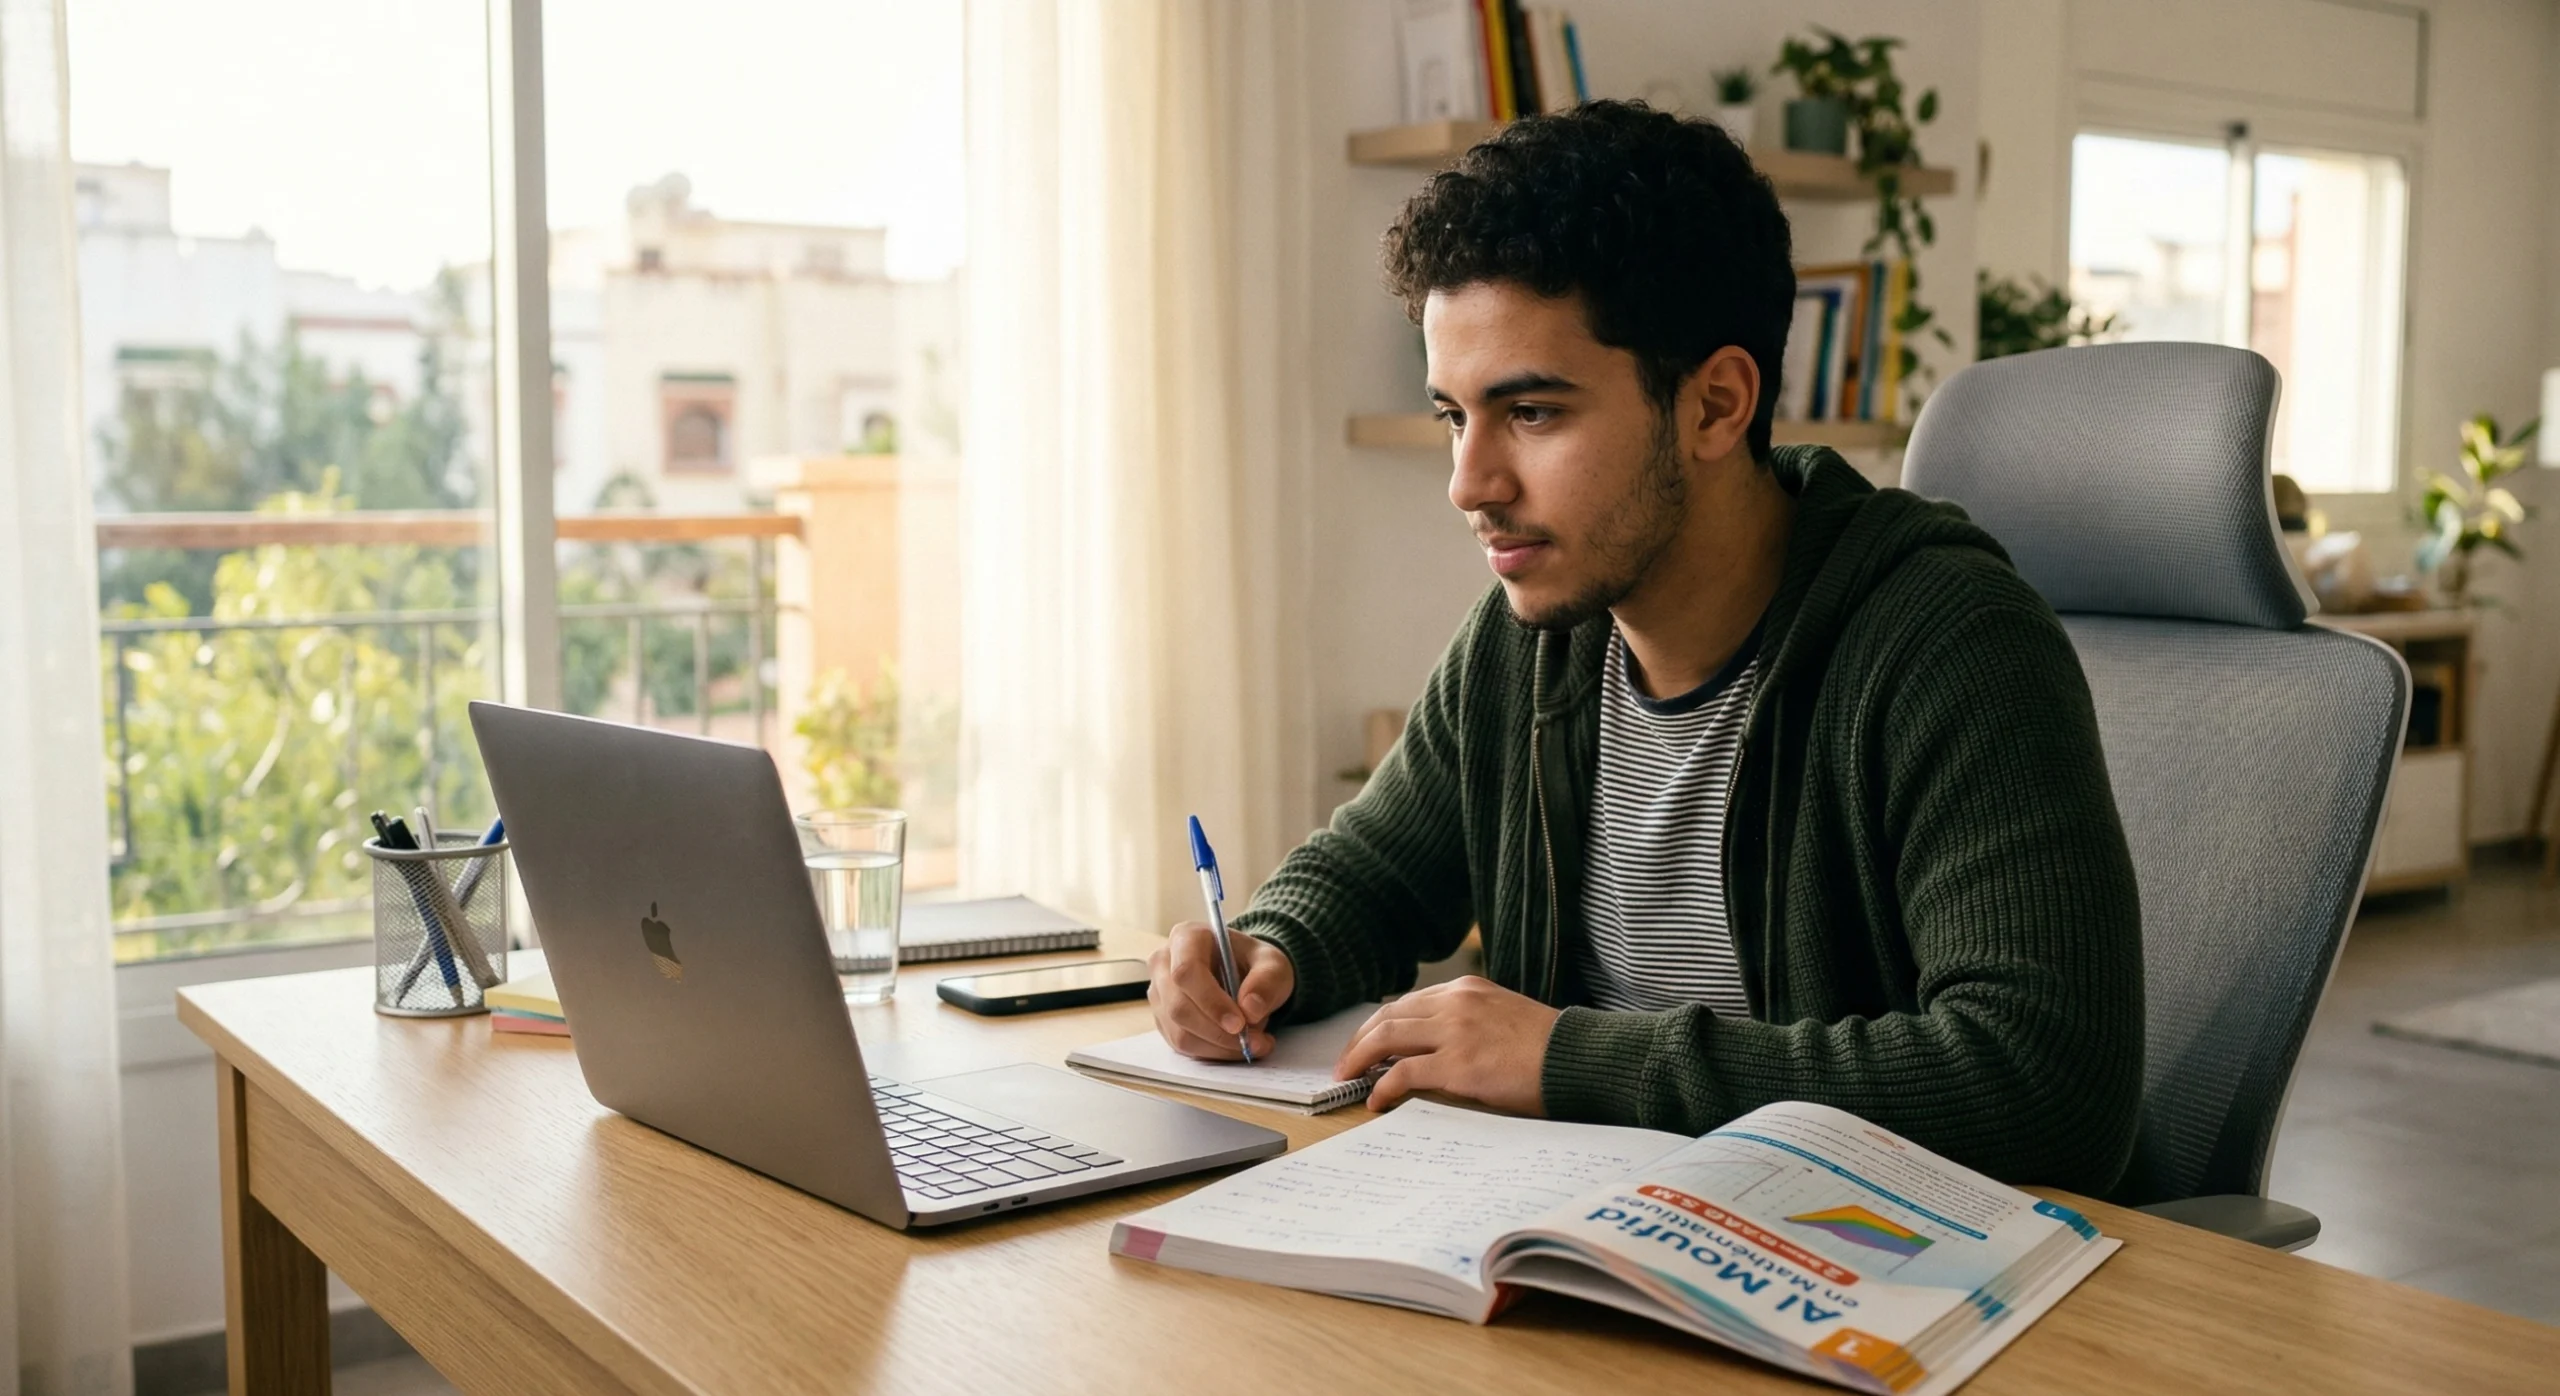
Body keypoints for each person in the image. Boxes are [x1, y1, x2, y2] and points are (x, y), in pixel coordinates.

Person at [1145, 102, 2144, 1194]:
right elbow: (1375, 874)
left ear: (1715, 405)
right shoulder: (1529, 638)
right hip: (1572, 1224)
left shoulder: (1944, 642)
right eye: (1453, 416)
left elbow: (2044, 1086)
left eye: (1531, 412)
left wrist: (1567, 1059)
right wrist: (1268, 950)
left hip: (1858, 1256)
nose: (1469, 483)